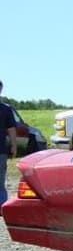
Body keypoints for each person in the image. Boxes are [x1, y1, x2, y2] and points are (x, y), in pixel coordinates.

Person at [0, 80, 17, 208]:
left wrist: (13, 145)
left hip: (1, 150)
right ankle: (1, 207)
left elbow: (11, 129)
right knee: (0, 181)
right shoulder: (6, 109)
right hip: (1, 150)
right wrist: (14, 146)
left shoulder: (6, 109)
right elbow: (11, 129)